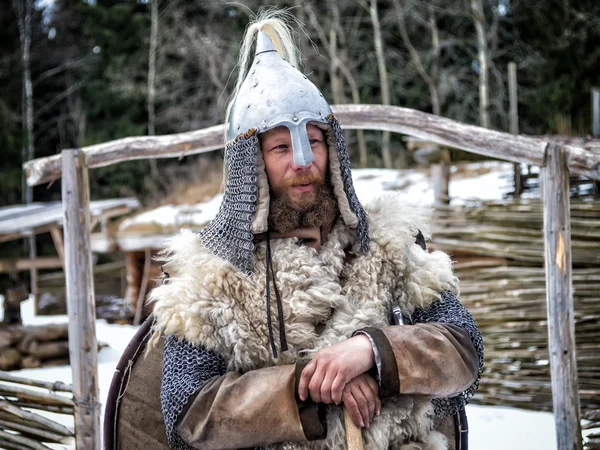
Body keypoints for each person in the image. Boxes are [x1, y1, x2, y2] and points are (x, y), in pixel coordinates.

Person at [105, 11, 483, 450]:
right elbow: (194, 415)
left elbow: (462, 347)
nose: (302, 161)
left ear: (332, 149)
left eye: (314, 142)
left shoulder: (385, 246)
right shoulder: (211, 277)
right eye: (281, 147)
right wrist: (309, 386)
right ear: (252, 162)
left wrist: (372, 352)